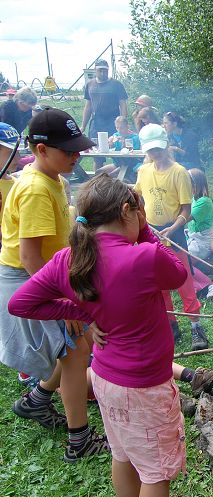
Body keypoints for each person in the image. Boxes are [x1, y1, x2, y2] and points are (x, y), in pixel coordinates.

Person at [7, 175, 192, 497]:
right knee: (155, 474)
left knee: (123, 457)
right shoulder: (145, 256)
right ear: (127, 210)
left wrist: (82, 312)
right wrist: (146, 230)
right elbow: (179, 273)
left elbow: (20, 303)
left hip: (105, 379)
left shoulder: (68, 258)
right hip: (146, 386)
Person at [0, 107, 110, 461]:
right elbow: (30, 257)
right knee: (75, 350)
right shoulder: (35, 189)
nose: (76, 156)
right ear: (41, 149)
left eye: (78, 149)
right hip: (28, 279)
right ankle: (79, 440)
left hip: (46, 275)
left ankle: (37, 400)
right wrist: (66, 305)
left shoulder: (55, 180)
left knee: (77, 343)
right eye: (69, 151)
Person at [134, 123, 209, 350]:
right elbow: (138, 195)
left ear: (166, 144)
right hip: (150, 233)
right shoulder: (143, 171)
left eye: (158, 148)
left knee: (183, 279)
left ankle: (196, 326)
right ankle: (170, 324)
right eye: (150, 149)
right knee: (159, 282)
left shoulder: (179, 172)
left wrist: (173, 228)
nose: (155, 153)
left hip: (173, 232)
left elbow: (186, 209)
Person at [82, 58, 128, 170]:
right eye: (100, 70)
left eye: (105, 70)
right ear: (95, 70)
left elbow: (123, 104)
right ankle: (98, 178)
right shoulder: (90, 85)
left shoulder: (116, 84)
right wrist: (83, 126)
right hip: (96, 123)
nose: (103, 73)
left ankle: (120, 178)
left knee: (119, 154)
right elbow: (88, 106)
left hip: (113, 123)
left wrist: (123, 122)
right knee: (97, 155)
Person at [185, 168, 213, 300]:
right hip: (195, 237)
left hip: (202, 241)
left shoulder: (204, 201)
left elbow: (186, 218)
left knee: (184, 261)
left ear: (195, 184)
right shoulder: (194, 198)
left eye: (187, 183)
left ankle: (211, 285)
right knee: (181, 259)